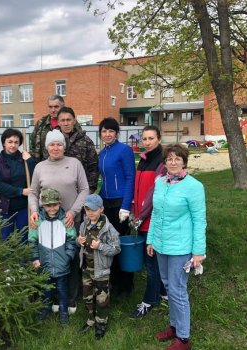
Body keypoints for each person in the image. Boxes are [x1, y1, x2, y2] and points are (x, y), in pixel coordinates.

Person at [147, 143, 206, 350]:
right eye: (169, 159)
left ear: (184, 161)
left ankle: (183, 338)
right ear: (165, 163)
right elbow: (156, 213)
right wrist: (151, 240)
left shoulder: (194, 186)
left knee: (178, 290)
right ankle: (174, 326)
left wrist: (199, 252)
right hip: (162, 245)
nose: (173, 162)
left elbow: (200, 220)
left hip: (181, 247)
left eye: (177, 159)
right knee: (169, 286)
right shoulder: (161, 182)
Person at [29, 129, 89, 313]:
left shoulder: (74, 163)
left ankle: (70, 299)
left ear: (64, 146)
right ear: (47, 147)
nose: (56, 148)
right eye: (52, 144)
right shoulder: (40, 167)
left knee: (69, 258)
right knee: (49, 257)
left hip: (70, 220)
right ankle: (52, 296)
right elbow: (33, 192)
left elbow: (85, 189)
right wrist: (33, 211)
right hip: (46, 222)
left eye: (59, 144)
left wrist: (73, 211)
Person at [130, 125, 167, 318]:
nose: (147, 142)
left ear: (158, 139)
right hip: (141, 218)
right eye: (144, 139)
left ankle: (149, 300)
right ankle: (163, 292)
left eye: (151, 138)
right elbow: (139, 190)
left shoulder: (161, 161)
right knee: (154, 261)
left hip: (152, 220)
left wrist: (140, 216)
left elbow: (154, 194)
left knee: (151, 264)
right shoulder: (143, 160)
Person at [98, 117, 135, 296]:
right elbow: (103, 180)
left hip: (120, 202)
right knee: (109, 243)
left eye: (111, 131)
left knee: (120, 243)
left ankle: (126, 285)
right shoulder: (102, 153)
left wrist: (126, 205)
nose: (107, 134)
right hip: (106, 203)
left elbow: (130, 178)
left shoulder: (124, 150)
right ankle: (113, 281)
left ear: (116, 133)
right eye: (104, 131)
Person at [28, 188, 76, 325]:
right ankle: (45, 308)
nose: (52, 208)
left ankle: (63, 312)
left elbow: (72, 240)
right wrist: (35, 258)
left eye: (54, 205)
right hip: (44, 264)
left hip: (62, 263)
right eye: (48, 205)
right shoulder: (37, 221)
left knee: (62, 289)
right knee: (46, 288)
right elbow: (32, 241)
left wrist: (68, 256)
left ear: (60, 203)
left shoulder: (66, 220)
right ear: (42, 205)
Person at [77, 194, 120, 340]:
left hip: (101, 271)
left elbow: (116, 248)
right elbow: (80, 242)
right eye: (87, 209)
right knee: (88, 296)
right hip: (86, 270)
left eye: (93, 210)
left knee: (102, 300)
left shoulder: (108, 228)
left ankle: (101, 325)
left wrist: (100, 246)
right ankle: (90, 320)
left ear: (101, 209)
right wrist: (79, 241)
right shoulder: (84, 224)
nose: (90, 213)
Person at [0, 128, 35, 242]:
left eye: (16, 142)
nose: (13, 145)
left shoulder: (24, 159)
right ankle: (8, 260)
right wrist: (21, 191)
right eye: (10, 142)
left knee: (23, 237)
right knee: (6, 238)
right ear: (4, 143)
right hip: (4, 206)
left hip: (23, 206)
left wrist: (29, 161)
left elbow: (35, 176)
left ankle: (23, 260)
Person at [57, 106, 99, 194]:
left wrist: (90, 189)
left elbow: (93, 166)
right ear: (58, 122)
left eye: (68, 120)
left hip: (81, 191)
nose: (66, 123)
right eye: (63, 120)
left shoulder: (85, 140)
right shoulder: (53, 141)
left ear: (74, 121)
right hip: (58, 191)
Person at [29, 95, 65, 163]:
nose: (53, 110)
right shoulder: (41, 123)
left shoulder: (68, 123)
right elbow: (33, 145)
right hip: (44, 166)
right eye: (50, 107)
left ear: (62, 107)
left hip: (65, 166)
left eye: (56, 107)